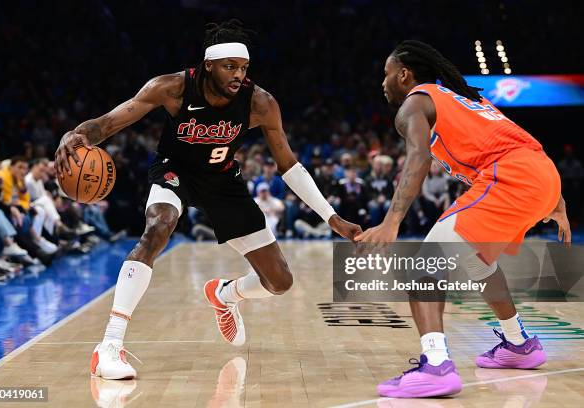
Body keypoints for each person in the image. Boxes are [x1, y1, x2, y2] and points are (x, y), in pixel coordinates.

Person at [54, 20, 361, 380]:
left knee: (279, 282)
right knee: (159, 227)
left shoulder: (260, 102)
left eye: (244, 68)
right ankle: (109, 345)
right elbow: (107, 123)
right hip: (175, 170)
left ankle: (226, 295)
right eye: (230, 67)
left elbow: (289, 165)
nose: (238, 75)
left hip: (222, 180)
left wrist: (330, 216)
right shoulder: (170, 88)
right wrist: (76, 135)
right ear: (208, 65)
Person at [355, 40, 571, 398]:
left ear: (404, 75)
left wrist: (393, 221)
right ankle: (519, 344)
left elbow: (418, 157)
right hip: (542, 173)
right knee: (477, 262)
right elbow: (513, 140)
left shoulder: (415, 102)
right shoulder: (465, 99)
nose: (383, 82)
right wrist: (557, 200)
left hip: (511, 176)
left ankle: (436, 365)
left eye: (387, 74)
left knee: (424, 264)